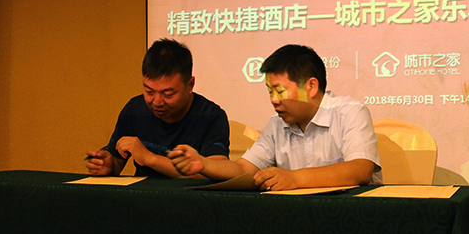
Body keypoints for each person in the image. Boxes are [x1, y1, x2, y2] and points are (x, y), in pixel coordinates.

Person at [169, 44, 382, 190]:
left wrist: (295, 178)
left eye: (280, 91)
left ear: (311, 86)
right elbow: (244, 169)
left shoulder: (350, 112)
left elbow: (360, 169)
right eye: (269, 91)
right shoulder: (276, 125)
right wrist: (203, 164)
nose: (273, 100)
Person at [86, 39, 230, 178]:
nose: (157, 102)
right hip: (142, 193)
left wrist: (149, 158)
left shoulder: (211, 117)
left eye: (168, 94)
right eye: (149, 92)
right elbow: (117, 160)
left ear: (190, 85)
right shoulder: (135, 110)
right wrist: (109, 165)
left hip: (188, 194)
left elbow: (216, 172)